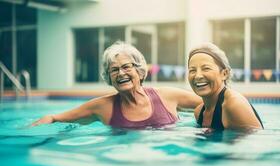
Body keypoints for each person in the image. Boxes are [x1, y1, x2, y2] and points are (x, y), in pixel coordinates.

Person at [31, 41, 202, 129]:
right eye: (114, 70)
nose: (121, 73)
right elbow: (55, 118)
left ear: (139, 71)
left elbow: (210, 103)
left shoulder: (167, 96)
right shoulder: (102, 106)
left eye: (126, 67)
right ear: (109, 77)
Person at [187, 43, 263, 131]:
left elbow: (256, 141)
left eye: (206, 68)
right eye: (192, 70)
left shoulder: (234, 104)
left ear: (224, 74)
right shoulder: (199, 112)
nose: (198, 76)